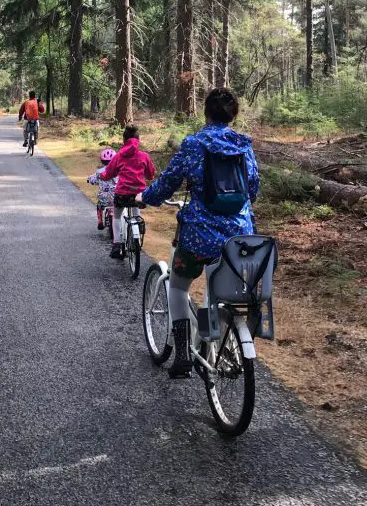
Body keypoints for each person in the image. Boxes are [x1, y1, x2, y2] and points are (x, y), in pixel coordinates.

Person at [136, 88, 259, 378]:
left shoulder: (195, 143)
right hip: (238, 236)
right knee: (218, 289)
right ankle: (213, 341)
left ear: (205, 113)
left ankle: (182, 355)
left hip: (198, 235)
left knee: (178, 286)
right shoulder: (244, 145)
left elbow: (168, 182)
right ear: (233, 115)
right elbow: (252, 189)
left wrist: (145, 197)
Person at [100, 125, 156, 259]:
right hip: (139, 194)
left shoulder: (119, 156)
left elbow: (108, 174)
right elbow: (150, 175)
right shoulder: (144, 156)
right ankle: (139, 225)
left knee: (117, 216)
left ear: (124, 140)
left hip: (122, 193)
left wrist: (102, 176)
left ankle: (117, 244)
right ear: (138, 139)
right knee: (136, 204)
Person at [86, 148, 117, 231]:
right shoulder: (119, 170)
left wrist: (89, 180)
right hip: (117, 196)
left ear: (102, 161)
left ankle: (100, 221)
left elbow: (93, 180)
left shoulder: (99, 172)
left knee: (99, 205)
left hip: (104, 197)